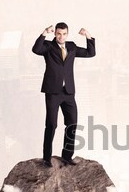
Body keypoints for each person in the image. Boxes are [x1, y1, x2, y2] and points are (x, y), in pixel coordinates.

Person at [32, 22, 96, 167]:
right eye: (59, 34)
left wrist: (88, 35)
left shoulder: (72, 46)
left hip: (68, 93)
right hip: (53, 92)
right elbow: (36, 49)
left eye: (64, 34)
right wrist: (44, 33)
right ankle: (46, 158)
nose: (61, 37)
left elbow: (90, 53)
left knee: (72, 124)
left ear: (67, 34)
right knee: (51, 125)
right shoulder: (48, 46)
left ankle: (67, 156)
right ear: (55, 34)